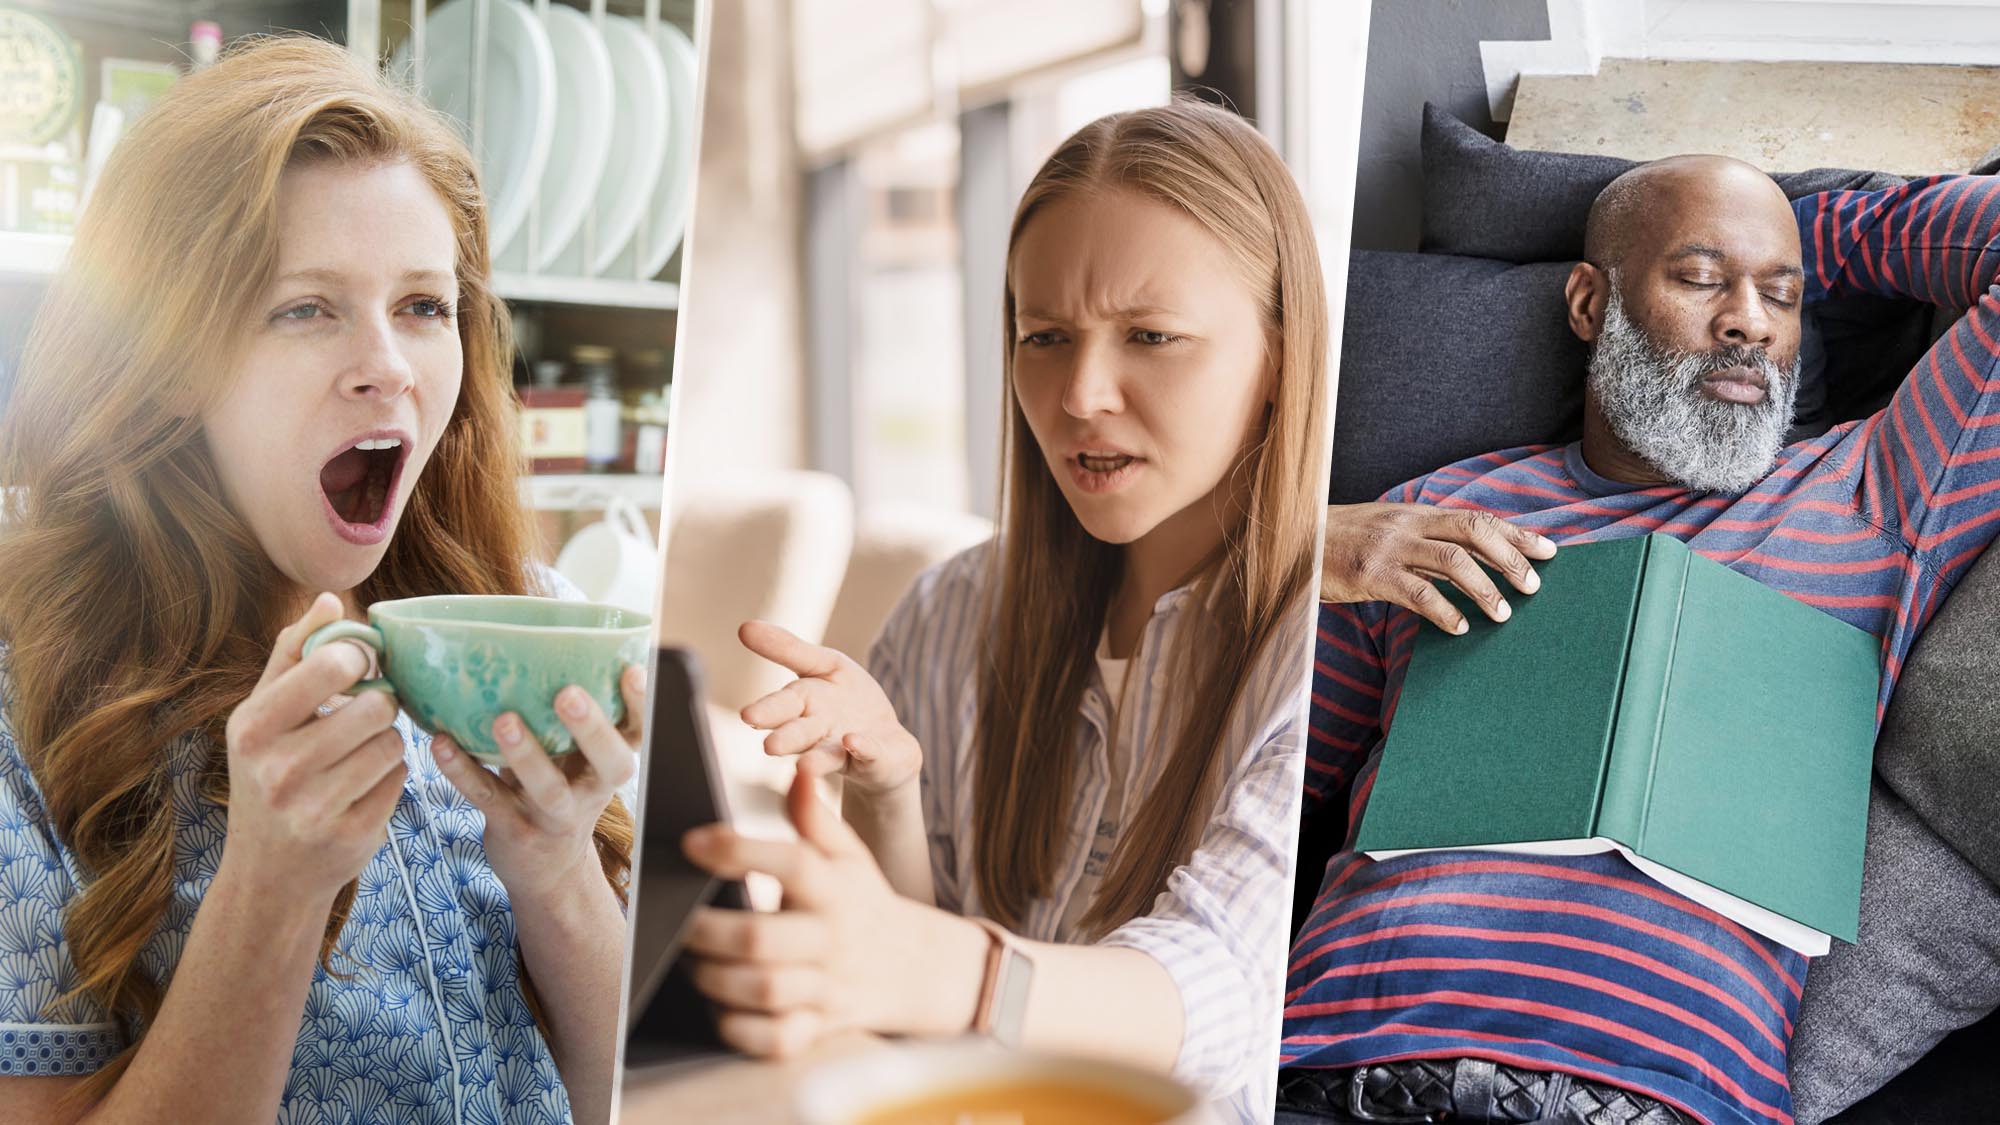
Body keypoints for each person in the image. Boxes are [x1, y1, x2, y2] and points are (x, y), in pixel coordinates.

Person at [1283, 156, 2000, 1125]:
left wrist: (1816, 227)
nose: (1748, 320)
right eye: (1701, 278)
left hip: (1660, 1105)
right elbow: (1221, 778)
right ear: (1589, 304)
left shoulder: (1872, 498)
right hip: (1341, 1069)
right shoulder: (1425, 512)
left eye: (1780, 296)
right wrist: (1306, 551)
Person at [0, 38, 639, 1125]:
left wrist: (559, 870)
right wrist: (269, 893)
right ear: (168, 360)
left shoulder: (519, 620)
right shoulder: (26, 720)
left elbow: (629, 1091)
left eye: (424, 307)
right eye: (306, 307)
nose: (387, 363)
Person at [676, 99, 1327, 1121]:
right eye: (1044, 337)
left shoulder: (1319, 643)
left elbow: (1221, 993)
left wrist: (949, 971)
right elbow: (916, 1024)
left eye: (1150, 336)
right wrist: (893, 795)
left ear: (1282, 356)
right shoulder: (954, 607)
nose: (1079, 394)